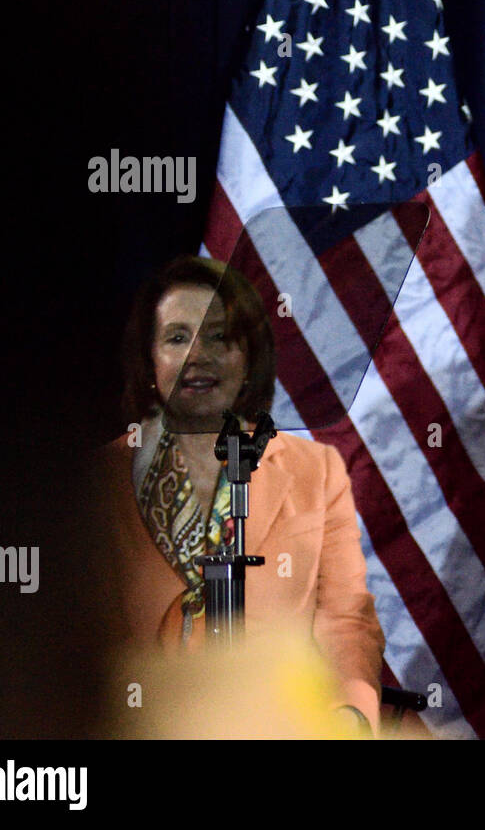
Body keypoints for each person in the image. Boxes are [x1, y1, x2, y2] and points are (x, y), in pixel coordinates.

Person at [93, 255, 385, 733]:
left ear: (248, 358)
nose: (198, 356)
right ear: (149, 361)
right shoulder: (99, 481)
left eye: (218, 337)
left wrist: (349, 713)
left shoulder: (317, 471)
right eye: (177, 337)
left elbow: (345, 618)